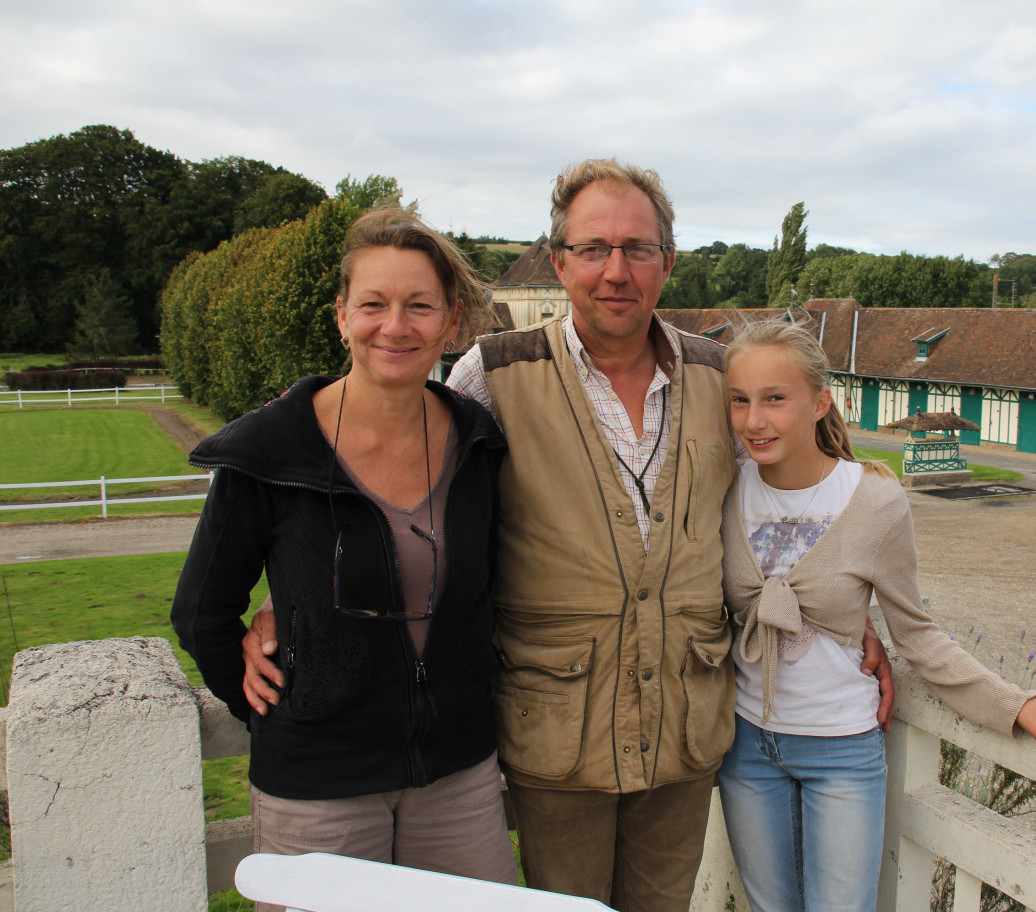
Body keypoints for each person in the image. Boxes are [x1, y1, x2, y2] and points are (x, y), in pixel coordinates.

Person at [242, 159, 892, 912]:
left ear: (668, 262)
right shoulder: (495, 371)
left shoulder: (721, 377)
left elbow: (800, 491)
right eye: (592, 249)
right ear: (559, 261)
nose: (616, 270)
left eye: (637, 249)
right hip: (557, 734)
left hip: (687, 731)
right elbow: (398, 487)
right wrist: (287, 600)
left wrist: (850, 617)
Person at [171, 208, 518, 909]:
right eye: (373, 305)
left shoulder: (480, 441)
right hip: (318, 789)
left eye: (419, 306)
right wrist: (280, 706)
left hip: (457, 775)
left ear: (451, 322)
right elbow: (203, 611)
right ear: (341, 317)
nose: (396, 326)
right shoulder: (269, 452)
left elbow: (493, 583)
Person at [717, 319, 1036, 912]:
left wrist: (1015, 704)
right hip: (745, 744)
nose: (755, 420)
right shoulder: (724, 485)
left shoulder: (874, 501)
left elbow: (917, 633)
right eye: (740, 401)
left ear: (820, 402)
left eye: (776, 398)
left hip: (840, 751)